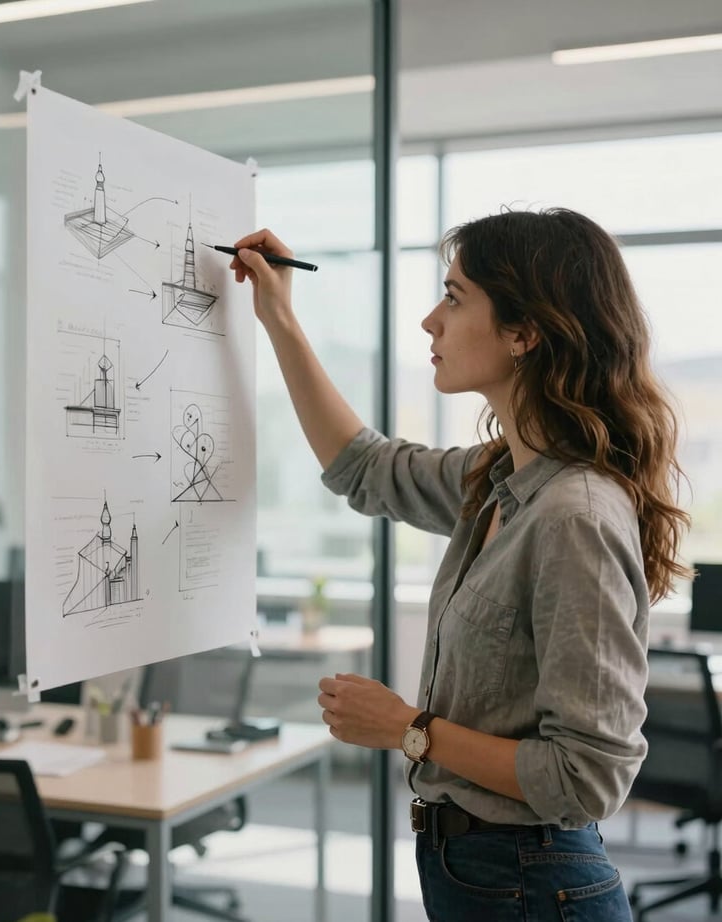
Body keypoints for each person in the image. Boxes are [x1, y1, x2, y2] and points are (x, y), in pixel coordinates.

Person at [228, 209, 691, 922]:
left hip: (533, 884)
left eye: (454, 296)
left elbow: (587, 778)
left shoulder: (575, 516)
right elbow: (367, 469)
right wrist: (280, 318)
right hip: (484, 875)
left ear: (524, 332)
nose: (429, 322)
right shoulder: (499, 477)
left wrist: (408, 728)